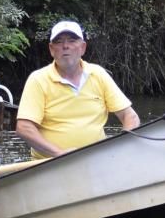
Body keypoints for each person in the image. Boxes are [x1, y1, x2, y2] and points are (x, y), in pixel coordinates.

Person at [15, 20, 140, 159]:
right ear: (51, 49)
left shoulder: (98, 74)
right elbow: (24, 128)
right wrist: (58, 153)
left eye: (72, 40)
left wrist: (122, 148)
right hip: (50, 165)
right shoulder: (38, 79)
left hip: (97, 161)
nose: (65, 46)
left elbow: (130, 117)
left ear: (83, 47)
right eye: (59, 41)